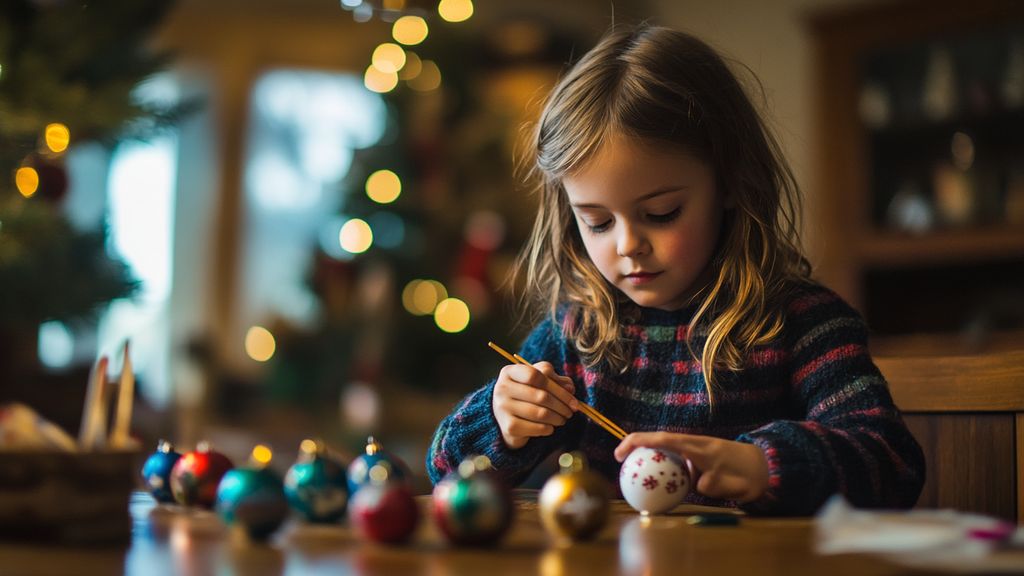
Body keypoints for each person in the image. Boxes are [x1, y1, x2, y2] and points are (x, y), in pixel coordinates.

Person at [425, 24, 925, 515]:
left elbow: (892, 463)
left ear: (731, 181)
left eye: (661, 213)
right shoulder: (577, 333)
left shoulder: (802, 323)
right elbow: (447, 474)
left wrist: (764, 465)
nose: (628, 245)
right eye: (596, 221)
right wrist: (500, 421)